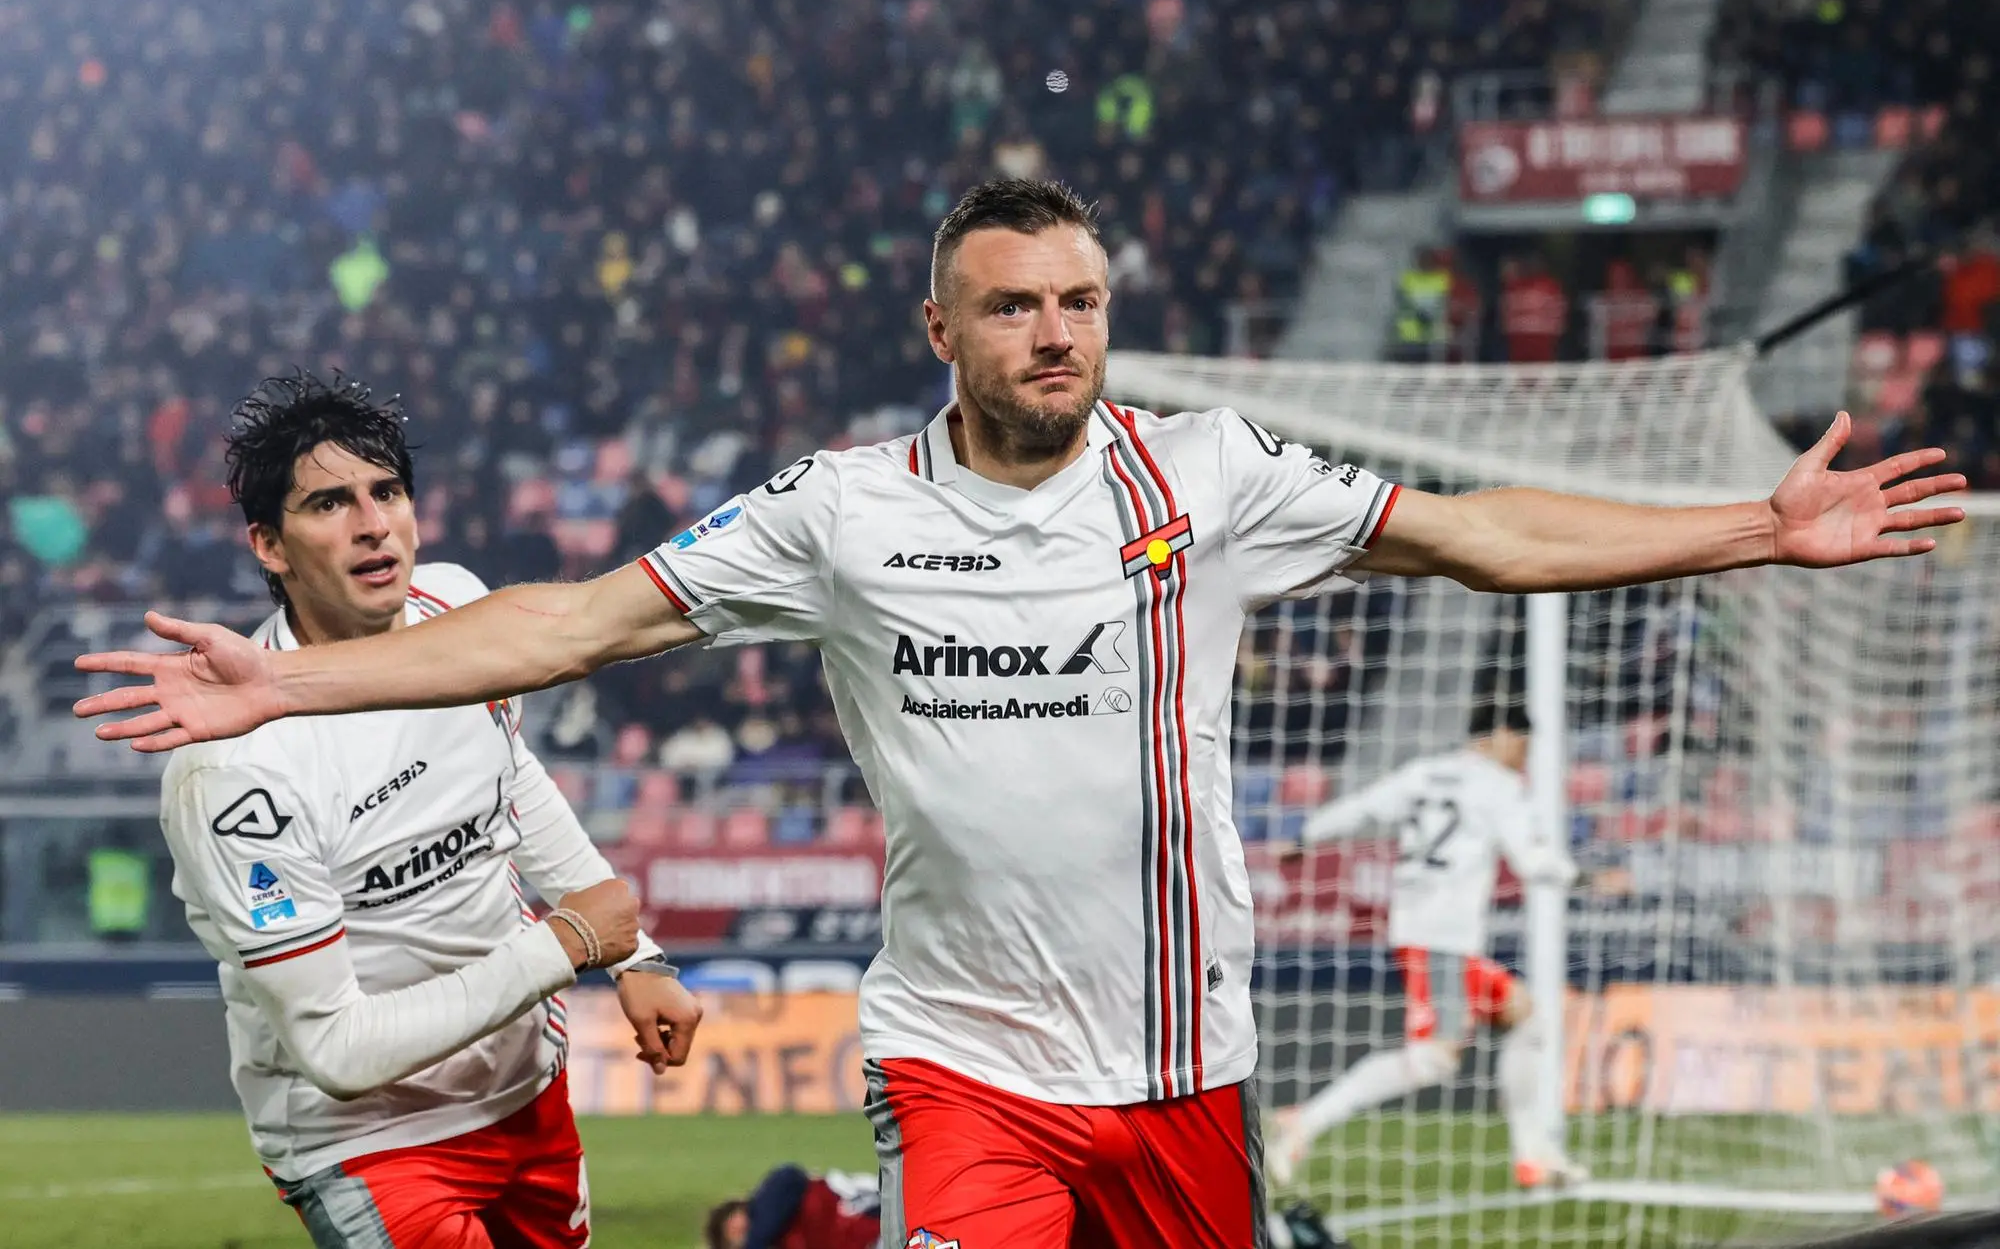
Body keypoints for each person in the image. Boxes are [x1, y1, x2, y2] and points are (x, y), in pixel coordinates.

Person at [76, 179, 1963, 1247]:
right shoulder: (839, 512)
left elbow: (1481, 534)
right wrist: (287, 677)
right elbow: (565, 626)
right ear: (944, 332)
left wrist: (1755, 527)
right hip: (962, 1066)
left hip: (1185, 1067)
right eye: (1013, 306)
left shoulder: (1207, 474)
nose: (1055, 331)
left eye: (1079, 300)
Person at [150, 374, 703, 1248]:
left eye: (388, 492)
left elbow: (509, 777)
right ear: (269, 545)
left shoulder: (455, 607)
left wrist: (636, 954)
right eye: (329, 503)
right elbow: (338, 1050)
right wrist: (568, 942)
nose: (372, 524)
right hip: (368, 1140)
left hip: (527, 1092)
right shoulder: (235, 772)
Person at [1264, 702, 1583, 1192]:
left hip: (1421, 930)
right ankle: (1302, 1123)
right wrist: (1586, 876)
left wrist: (1306, 835)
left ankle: (1532, 1157)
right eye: (1523, 741)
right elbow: (1531, 861)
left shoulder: (1423, 773)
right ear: (1499, 734)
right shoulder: (1498, 787)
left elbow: (1362, 807)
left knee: (1526, 1016)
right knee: (1435, 1059)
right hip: (1445, 938)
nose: (1526, 754)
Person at [703, 1166, 882, 1249]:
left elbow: (790, 1177)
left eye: (731, 1224)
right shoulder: (782, 1239)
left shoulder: (772, 1193)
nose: (737, 1230)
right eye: (731, 1239)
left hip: (877, 1217)